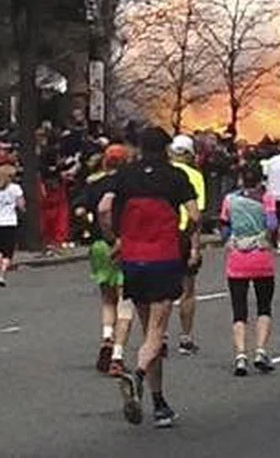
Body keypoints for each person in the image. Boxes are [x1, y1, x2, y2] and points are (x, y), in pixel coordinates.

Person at [98, 127, 202, 428]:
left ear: (140, 148)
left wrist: (114, 238)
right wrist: (183, 236)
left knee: (148, 332)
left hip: (133, 257)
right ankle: (138, 374)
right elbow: (194, 216)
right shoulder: (176, 177)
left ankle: (158, 402)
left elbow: (104, 207)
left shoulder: (125, 175)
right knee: (157, 333)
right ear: (167, 149)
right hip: (164, 258)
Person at [78, 144, 133, 376]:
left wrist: (87, 229)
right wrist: (114, 236)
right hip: (122, 244)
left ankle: (107, 337)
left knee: (107, 298)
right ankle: (118, 355)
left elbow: (80, 210)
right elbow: (106, 208)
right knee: (125, 300)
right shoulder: (128, 184)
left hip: (98, 245)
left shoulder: (93, 182)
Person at [220, 164, 279, 376]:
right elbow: (272, 224)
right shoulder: (267, 198)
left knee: (239, 309)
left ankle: (241, 356)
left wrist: (232, 240)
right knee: (264, 307)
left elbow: (224, 226)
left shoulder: (230, 200)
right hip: (261, 257)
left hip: (237, 258)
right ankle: (261, 351)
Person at [170, 135, 207, 355]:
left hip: (162, 235)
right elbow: (196, 215)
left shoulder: (162, 172)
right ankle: (185, 337)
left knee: (161, 290)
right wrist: (195, 247)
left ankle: (159, 335)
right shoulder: (195, 176)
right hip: (184, 235)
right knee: (188, 289)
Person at [0, 164, 24, 287]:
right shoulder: (16, 188)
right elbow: (21, 205)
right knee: (8, 251)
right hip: (9, 222)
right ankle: (2, 275)